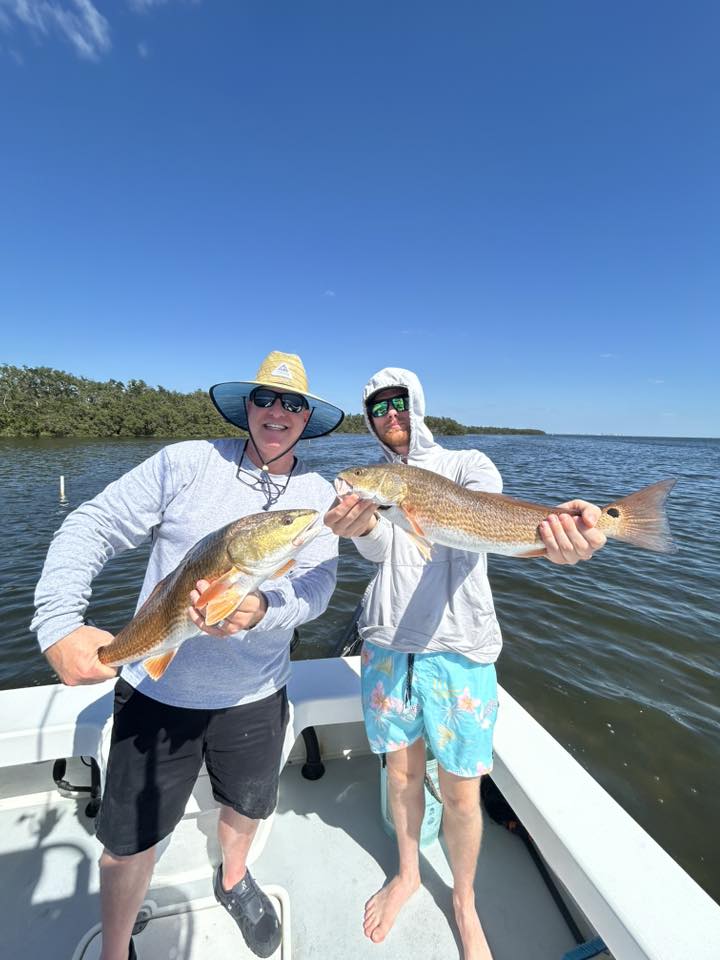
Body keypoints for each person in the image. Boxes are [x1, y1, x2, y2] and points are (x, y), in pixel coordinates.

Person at [31, 351, 344, 960]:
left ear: (308, 418)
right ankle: (116, 948)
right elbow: (92, 523)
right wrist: (59, 623)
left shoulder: (317, 499)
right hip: (156, 691)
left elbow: (317, 588)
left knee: (247, 803)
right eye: (265, 399)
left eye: (294, 404)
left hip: (257, 693)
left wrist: (262, 609)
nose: (278, 412)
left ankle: (233, 879)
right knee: (126, 839)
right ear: (246, 407)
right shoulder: (186, 462)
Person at [324, 367, 606, 960]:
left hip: (460, 650)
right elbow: (381, 549)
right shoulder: (369, 489)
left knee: (461, 792)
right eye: (377, 408)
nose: (389, 414)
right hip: (388, 646)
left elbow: (490, 524)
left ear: (416, 405)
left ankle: (464, 900)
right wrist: (368, 522)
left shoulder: (468, 463)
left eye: (398, 402)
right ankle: (406, 874)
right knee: (399, 776)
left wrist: (559, 540)